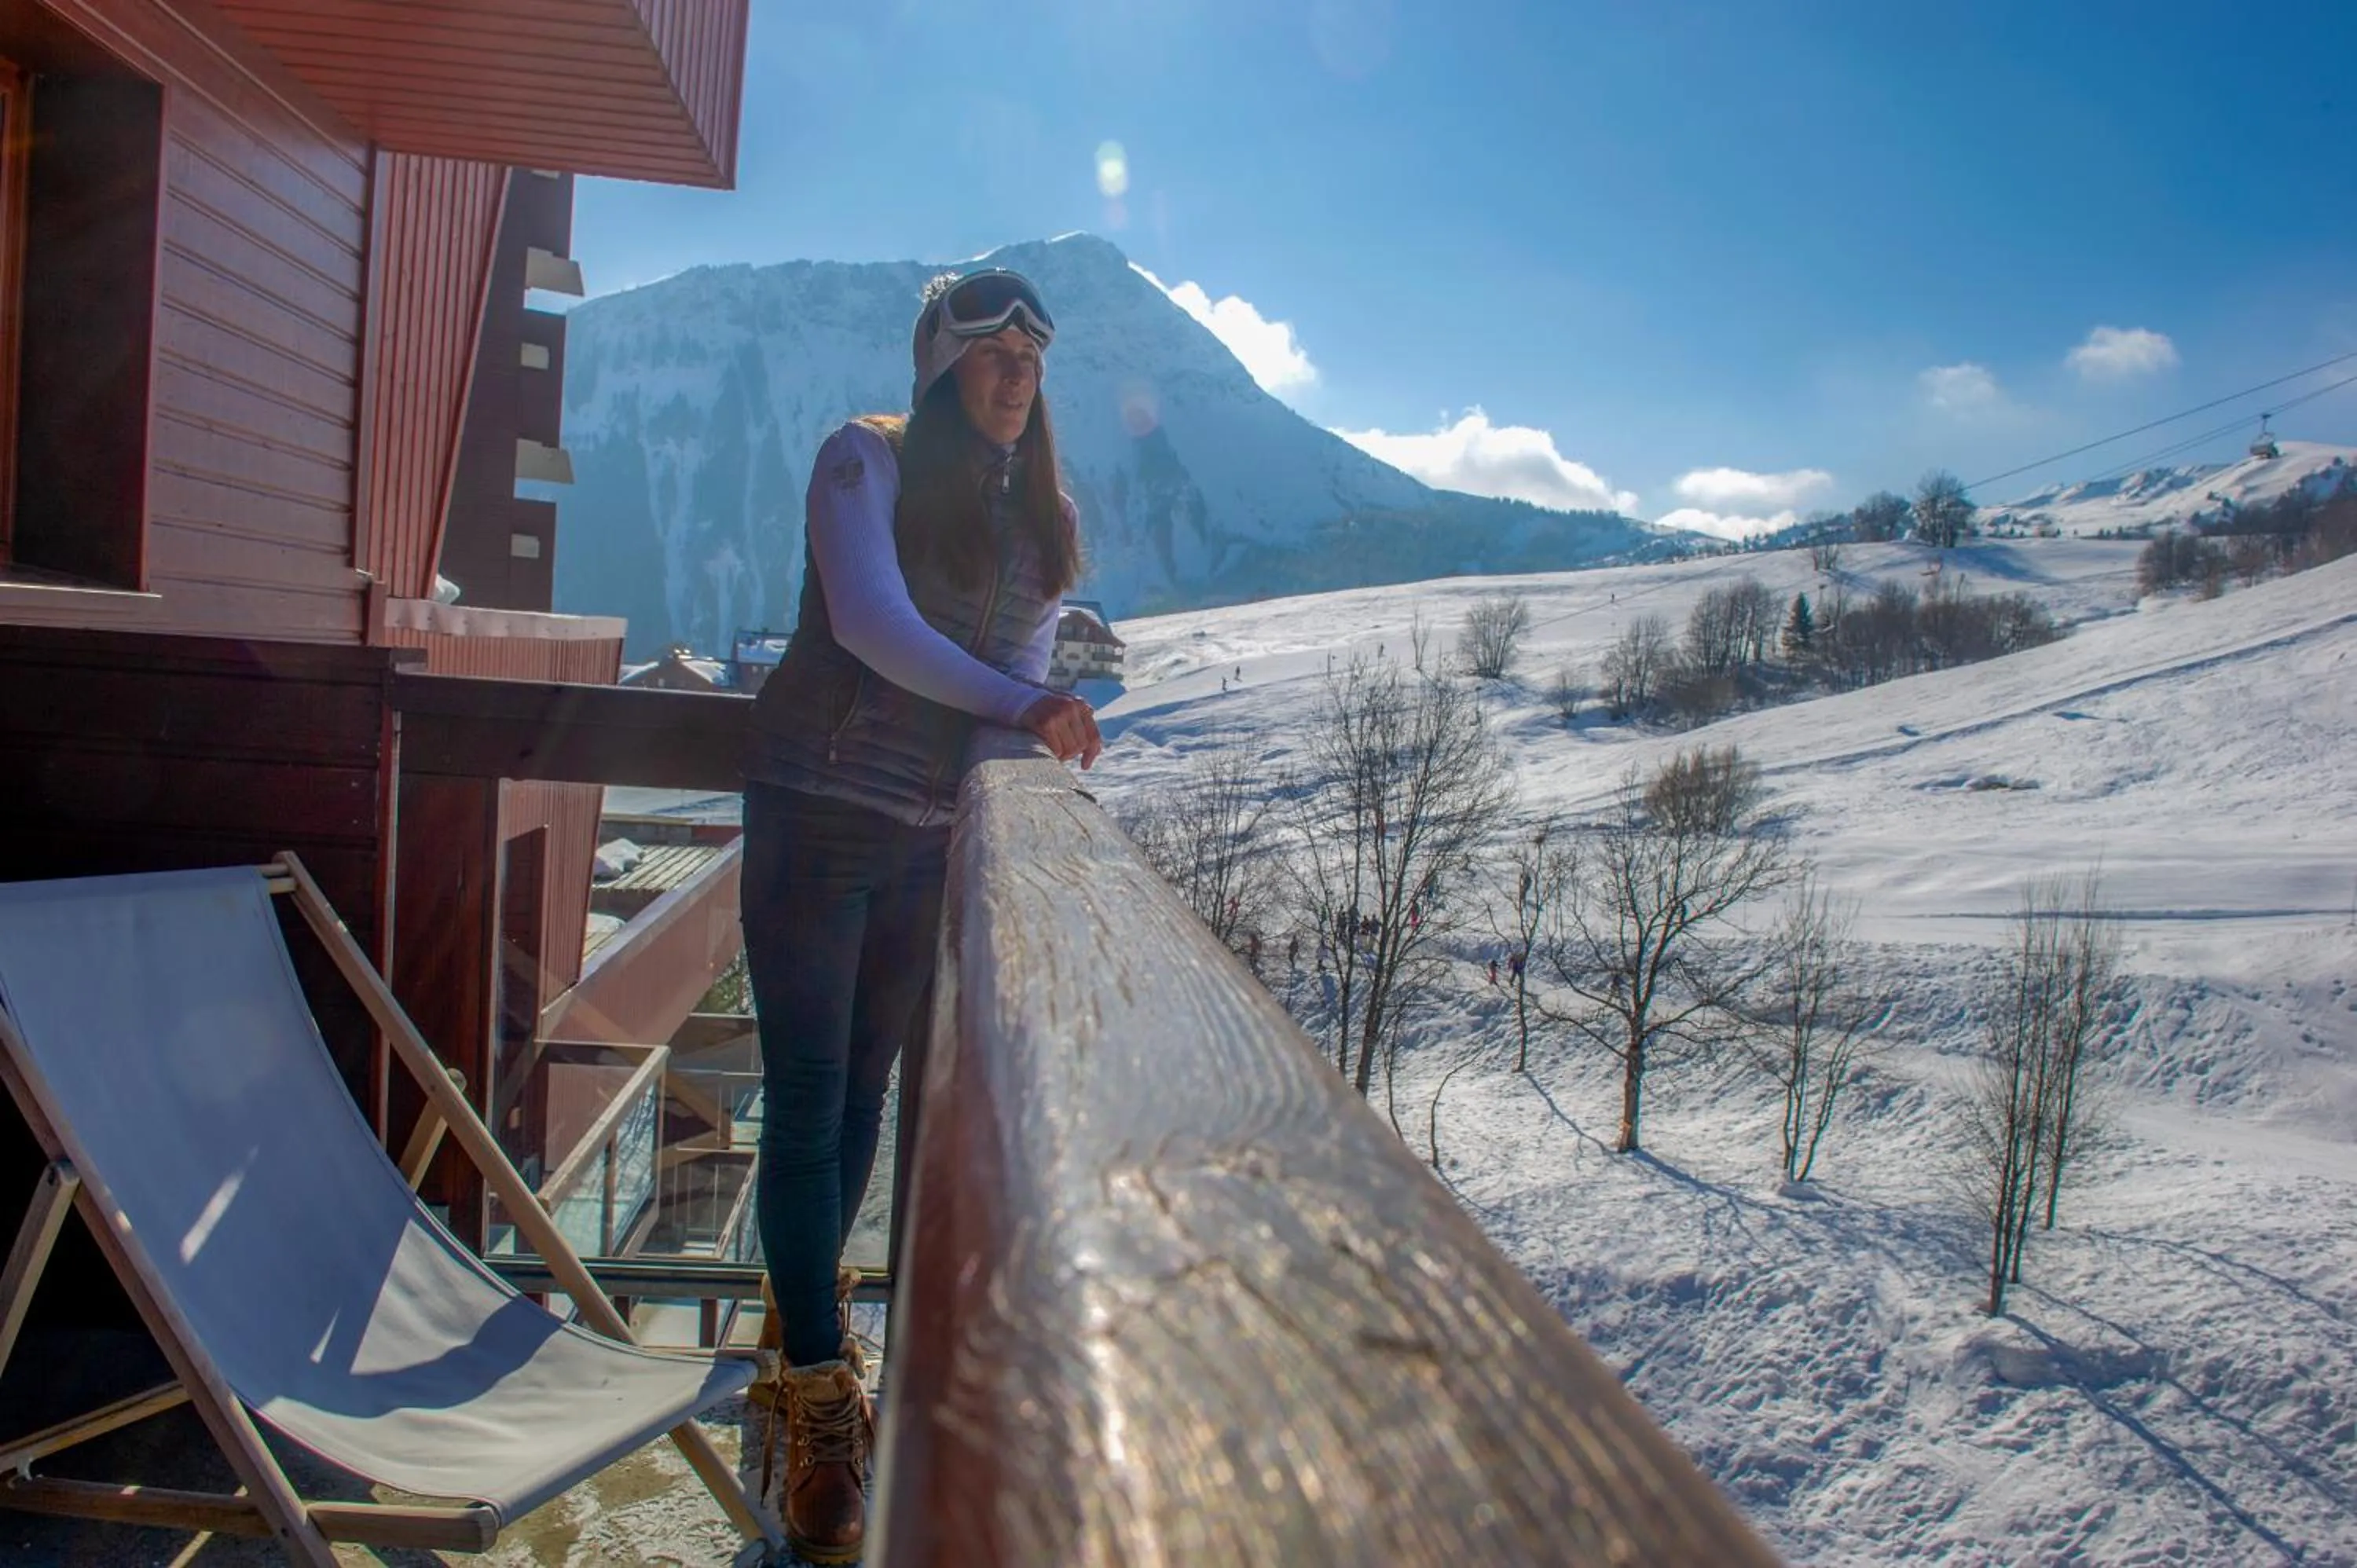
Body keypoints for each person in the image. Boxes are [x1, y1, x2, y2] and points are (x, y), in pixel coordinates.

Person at [737, 267, 1101, 1564]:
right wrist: (1020, 714)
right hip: (812, 808)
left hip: (924, 838)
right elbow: (874, 626)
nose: (1018, 374)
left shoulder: (1045, 514)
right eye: (993, 352)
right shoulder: (864, 460)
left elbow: (1020, 665)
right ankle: (826, 1395)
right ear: (941, 365)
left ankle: (801, 1327)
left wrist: (1020, 711)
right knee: (809, 1087)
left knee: (861, 1101)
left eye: (1034, 358)